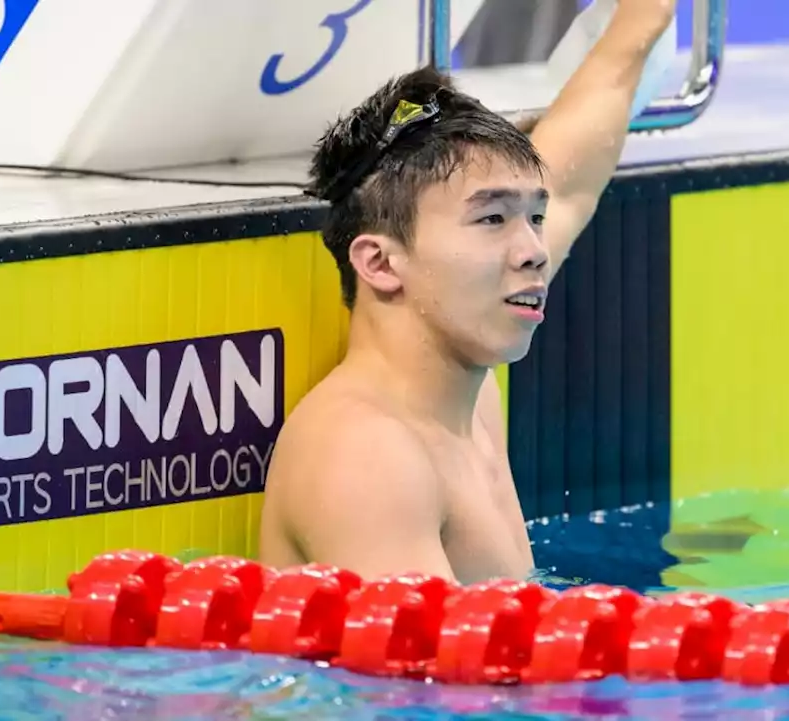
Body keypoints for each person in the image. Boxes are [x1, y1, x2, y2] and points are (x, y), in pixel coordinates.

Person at [257, 0, 677, 584]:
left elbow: (574, 177)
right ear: (380, 263)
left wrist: (642, 19)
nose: (532, 249)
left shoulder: (463, 386)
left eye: (532, 217)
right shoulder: (367, 455)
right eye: (492, 220)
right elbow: (427, 675)